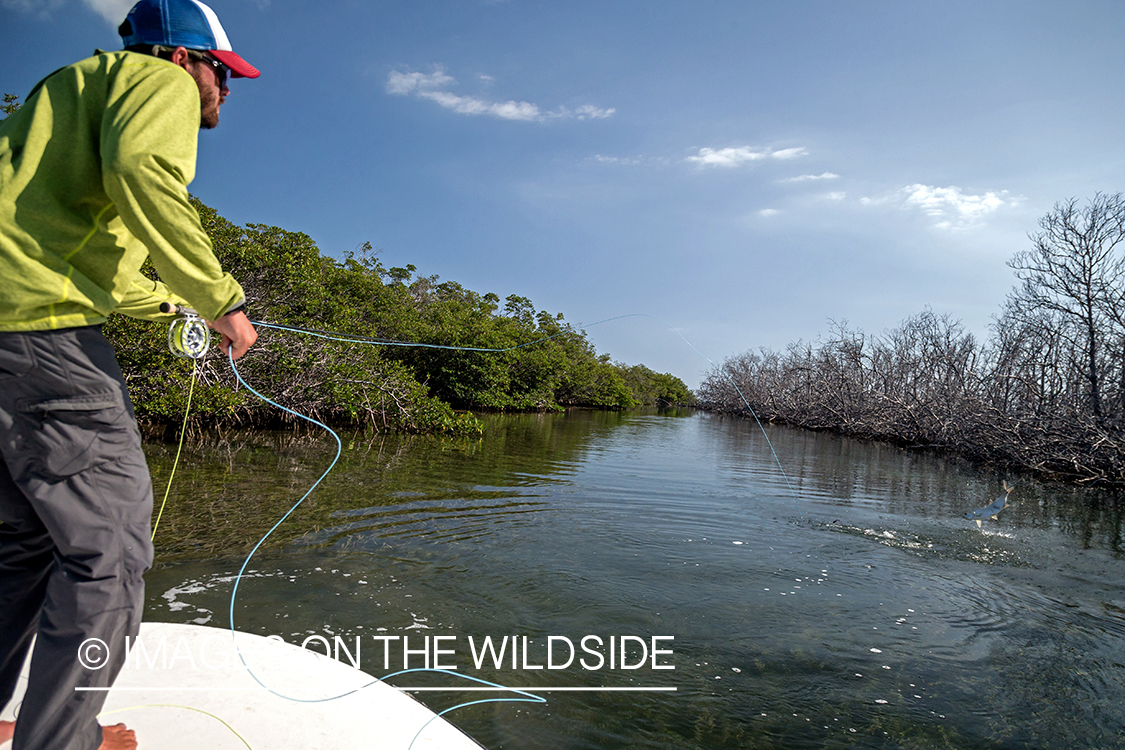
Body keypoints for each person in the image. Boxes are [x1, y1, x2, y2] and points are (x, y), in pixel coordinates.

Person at [0, 1, 259, 748]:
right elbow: (142, 171)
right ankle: (63, 741)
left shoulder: (69, 89)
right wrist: (223, 302)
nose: (226, 89)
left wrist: (169, 300)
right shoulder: (161, 81)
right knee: (108, 556)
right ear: (183, 57)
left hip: (9, 338)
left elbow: (63, 241)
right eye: (221, 71)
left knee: (22, 542)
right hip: (45, 337)